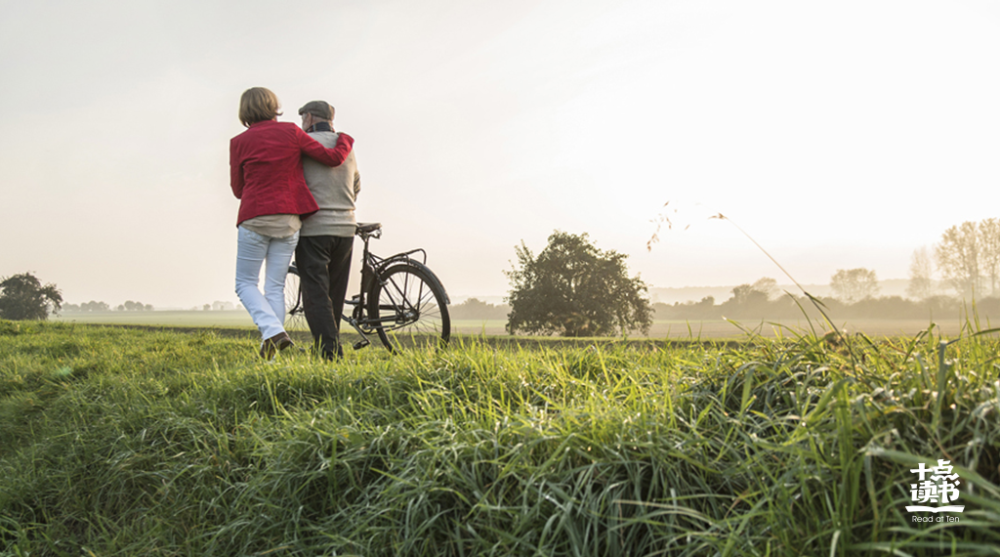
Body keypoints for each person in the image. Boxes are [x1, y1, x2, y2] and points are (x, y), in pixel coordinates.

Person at [230, 87, 354, 359]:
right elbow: (332, 158)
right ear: (273, 106)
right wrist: (345, 139)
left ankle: (273, 331)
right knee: (274, 287)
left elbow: (238, 190)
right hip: (289, 220)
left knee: (245, 283)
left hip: (255, 217)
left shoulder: (238, 142)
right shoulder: (291, 131)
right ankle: (272, 354)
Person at [295, 100, 361, 360]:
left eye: (302, 118)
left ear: (309, 117)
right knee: (334, 293)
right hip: (346, 227)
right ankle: (326, 347)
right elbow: (356, 185)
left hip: (314, 227)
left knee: (315, 293)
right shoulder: (346, 148)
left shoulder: (303, 145)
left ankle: (330, 353)